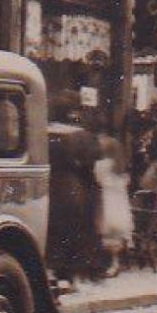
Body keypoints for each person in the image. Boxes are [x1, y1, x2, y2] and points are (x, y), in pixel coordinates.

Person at [47, 93, 100, 287]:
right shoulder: (81, 136)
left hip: (47, 185)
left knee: (51, 229)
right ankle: (70, 276)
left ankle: (51, 270)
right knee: (75, 229)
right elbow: (91, 165)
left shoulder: (44, 132)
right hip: (73, 187)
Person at [94, 133, 135, 277]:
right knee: (115, 235)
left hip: (106, 201)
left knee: (105, 231)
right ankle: (114, 262)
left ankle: (108, 264)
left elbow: (97, 179)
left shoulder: (102, 164)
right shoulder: (120, 167)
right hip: (119, 203)